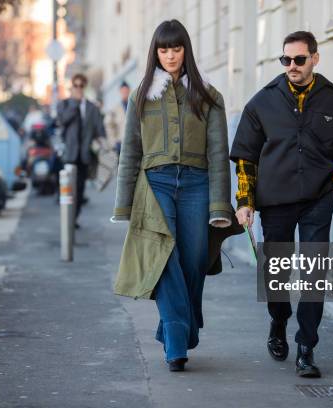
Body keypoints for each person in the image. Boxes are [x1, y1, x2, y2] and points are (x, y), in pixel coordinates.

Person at [230, 31, 333, 378]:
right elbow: (245, 158)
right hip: (274, 203)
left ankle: (307, 348)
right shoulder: (261, 103)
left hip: (318, 202)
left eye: (299, 60)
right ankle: (279, 321)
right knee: (275, 274)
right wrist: (245, 201)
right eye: (286, 60)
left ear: (315, 59)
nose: (292, 66)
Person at [111, 19, 238, 372]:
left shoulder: (210, 96)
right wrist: (124, 204)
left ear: (186, 51)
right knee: (165, 258)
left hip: (198, 184)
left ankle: (172, 328)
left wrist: (219, 204)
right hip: (156, 186)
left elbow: (218, 153)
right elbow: (130, 153)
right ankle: (178, 342)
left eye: (176, 48)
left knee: (195, 260)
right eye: (163, 49)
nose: (170, 55)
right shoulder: (140, 96)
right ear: (155, 52)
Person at [57, 73, 106, 227]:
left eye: (81, 86)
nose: (78, 88)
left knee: (79, 190)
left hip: (85, 155)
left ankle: (73, 218)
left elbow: (100, 130)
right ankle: (68, 216)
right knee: (68, 189)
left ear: (84, 87)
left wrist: (104, 145)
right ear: (72, 87)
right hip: (69, 154)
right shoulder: (65, 104)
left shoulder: (92, 107)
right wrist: (74, 104)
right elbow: (61, 121)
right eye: (75, 86)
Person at [104, 81, 130, 156]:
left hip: (134, 143)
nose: (125, 92)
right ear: (120, 92)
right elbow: (109, 125)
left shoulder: (134, 106)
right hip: (121, 144)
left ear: (129, 91)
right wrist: (114, 142)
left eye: (126, 90)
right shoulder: (115, 109)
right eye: (123, 91)